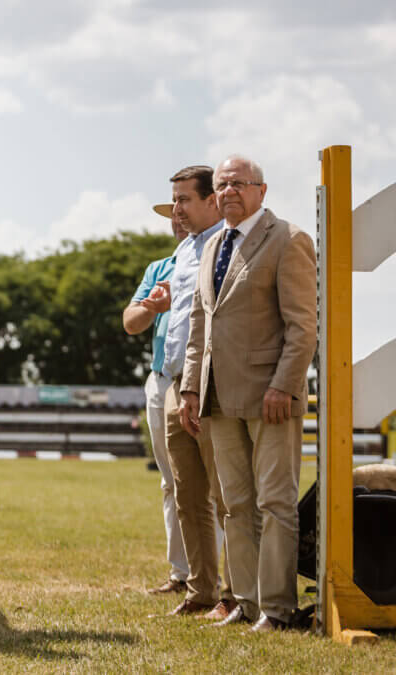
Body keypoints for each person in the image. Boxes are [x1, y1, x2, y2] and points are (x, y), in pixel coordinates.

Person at [180, 155, 316, 632]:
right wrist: (190, 387)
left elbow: (303, 327)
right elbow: (200, 324)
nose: (229, 192)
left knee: (274, 503)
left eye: (239, 183)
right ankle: (248, 603)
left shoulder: (289, 239)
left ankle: (277, 608)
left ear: (262, 190)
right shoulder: (212, 246)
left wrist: (284, 384)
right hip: (218, 397)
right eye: (222, 185)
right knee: (234, 504)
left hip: (270, 397)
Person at [158, 165, 234, 619]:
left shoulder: (226, 245)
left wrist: (196, 385)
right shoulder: (184, 248)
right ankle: (201, 590)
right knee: (187, 495)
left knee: (225, 496)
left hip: (211, 385)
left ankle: (234, 595)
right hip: (174, 383)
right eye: (175, 200)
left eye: (184, 200)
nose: (177, 209)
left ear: (211, 201)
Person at [123, 204, 188, 596]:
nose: (177, 219)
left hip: (201, 379)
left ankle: (219, 580)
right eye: (173, 213)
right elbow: (130, 322)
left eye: (184, 208)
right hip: (161, 379)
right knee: (171, 481)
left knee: (212, 486)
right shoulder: (159, 268)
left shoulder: (215, 261)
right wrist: (152, 305)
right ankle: (181, 574)